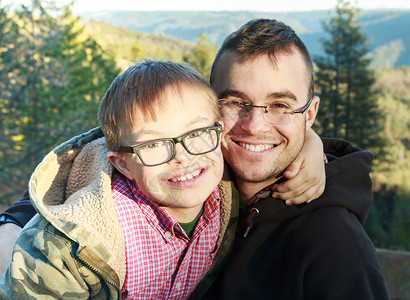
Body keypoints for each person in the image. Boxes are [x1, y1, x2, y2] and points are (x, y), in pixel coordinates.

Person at [0, 60, 325, 299]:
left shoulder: (219, 174)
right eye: (154, 144)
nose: (183, 156)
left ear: (218, 132)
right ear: (123, 165)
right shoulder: (72, 249)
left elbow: (267, 143)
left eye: (196, 133)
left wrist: (311, 144)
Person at [200, 18, 388, 299]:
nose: (254, 125)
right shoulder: (188, 185)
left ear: (309, 115)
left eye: (280, 106)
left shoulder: (335, 250)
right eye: (236, 102)